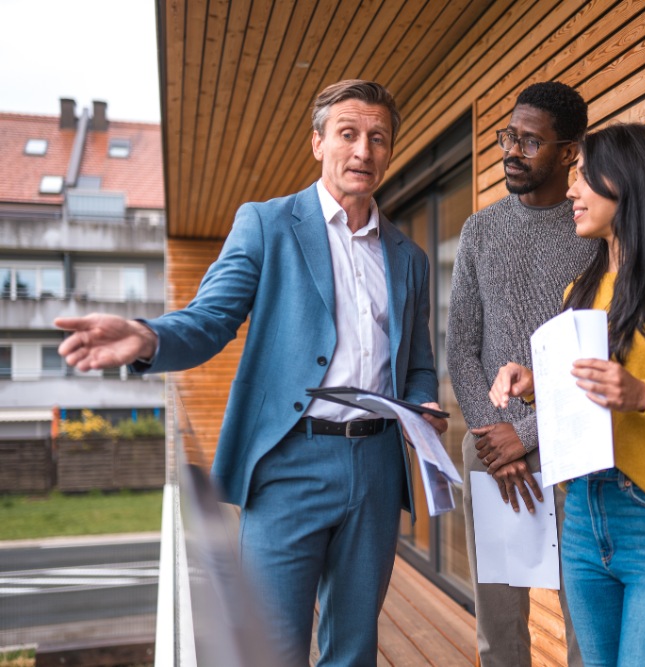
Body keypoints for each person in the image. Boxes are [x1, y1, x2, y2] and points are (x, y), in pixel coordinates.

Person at [54, 80, 446, 666]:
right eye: (348, 134)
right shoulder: (267, 223)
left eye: (378, 138)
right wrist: (150, 337)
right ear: (318, 143)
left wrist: (423, 404)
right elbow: (211, 319)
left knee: (355, 649)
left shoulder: (408, 256)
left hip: (377, 469)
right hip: (289, 465)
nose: (363, 150)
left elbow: (416, 364)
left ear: (389, 151)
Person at [488, 123, 645, 666]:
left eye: (583, 177)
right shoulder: (578, 290)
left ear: (625, 182)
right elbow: (581, 403)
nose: (570, 191)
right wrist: (538, 386)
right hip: (585, 515)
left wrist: (643, 395)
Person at [447, 81, 595, 666]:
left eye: (530, 142)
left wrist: (528, 436)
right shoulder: (480, 230)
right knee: (499, 629)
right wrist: (493, 438)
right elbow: (461, 348)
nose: (512, 150)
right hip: (489, 452)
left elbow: (601, 357)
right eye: (510, 136)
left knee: (584, 621)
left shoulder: (593, 230)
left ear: (568, 153)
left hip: (574, 452)